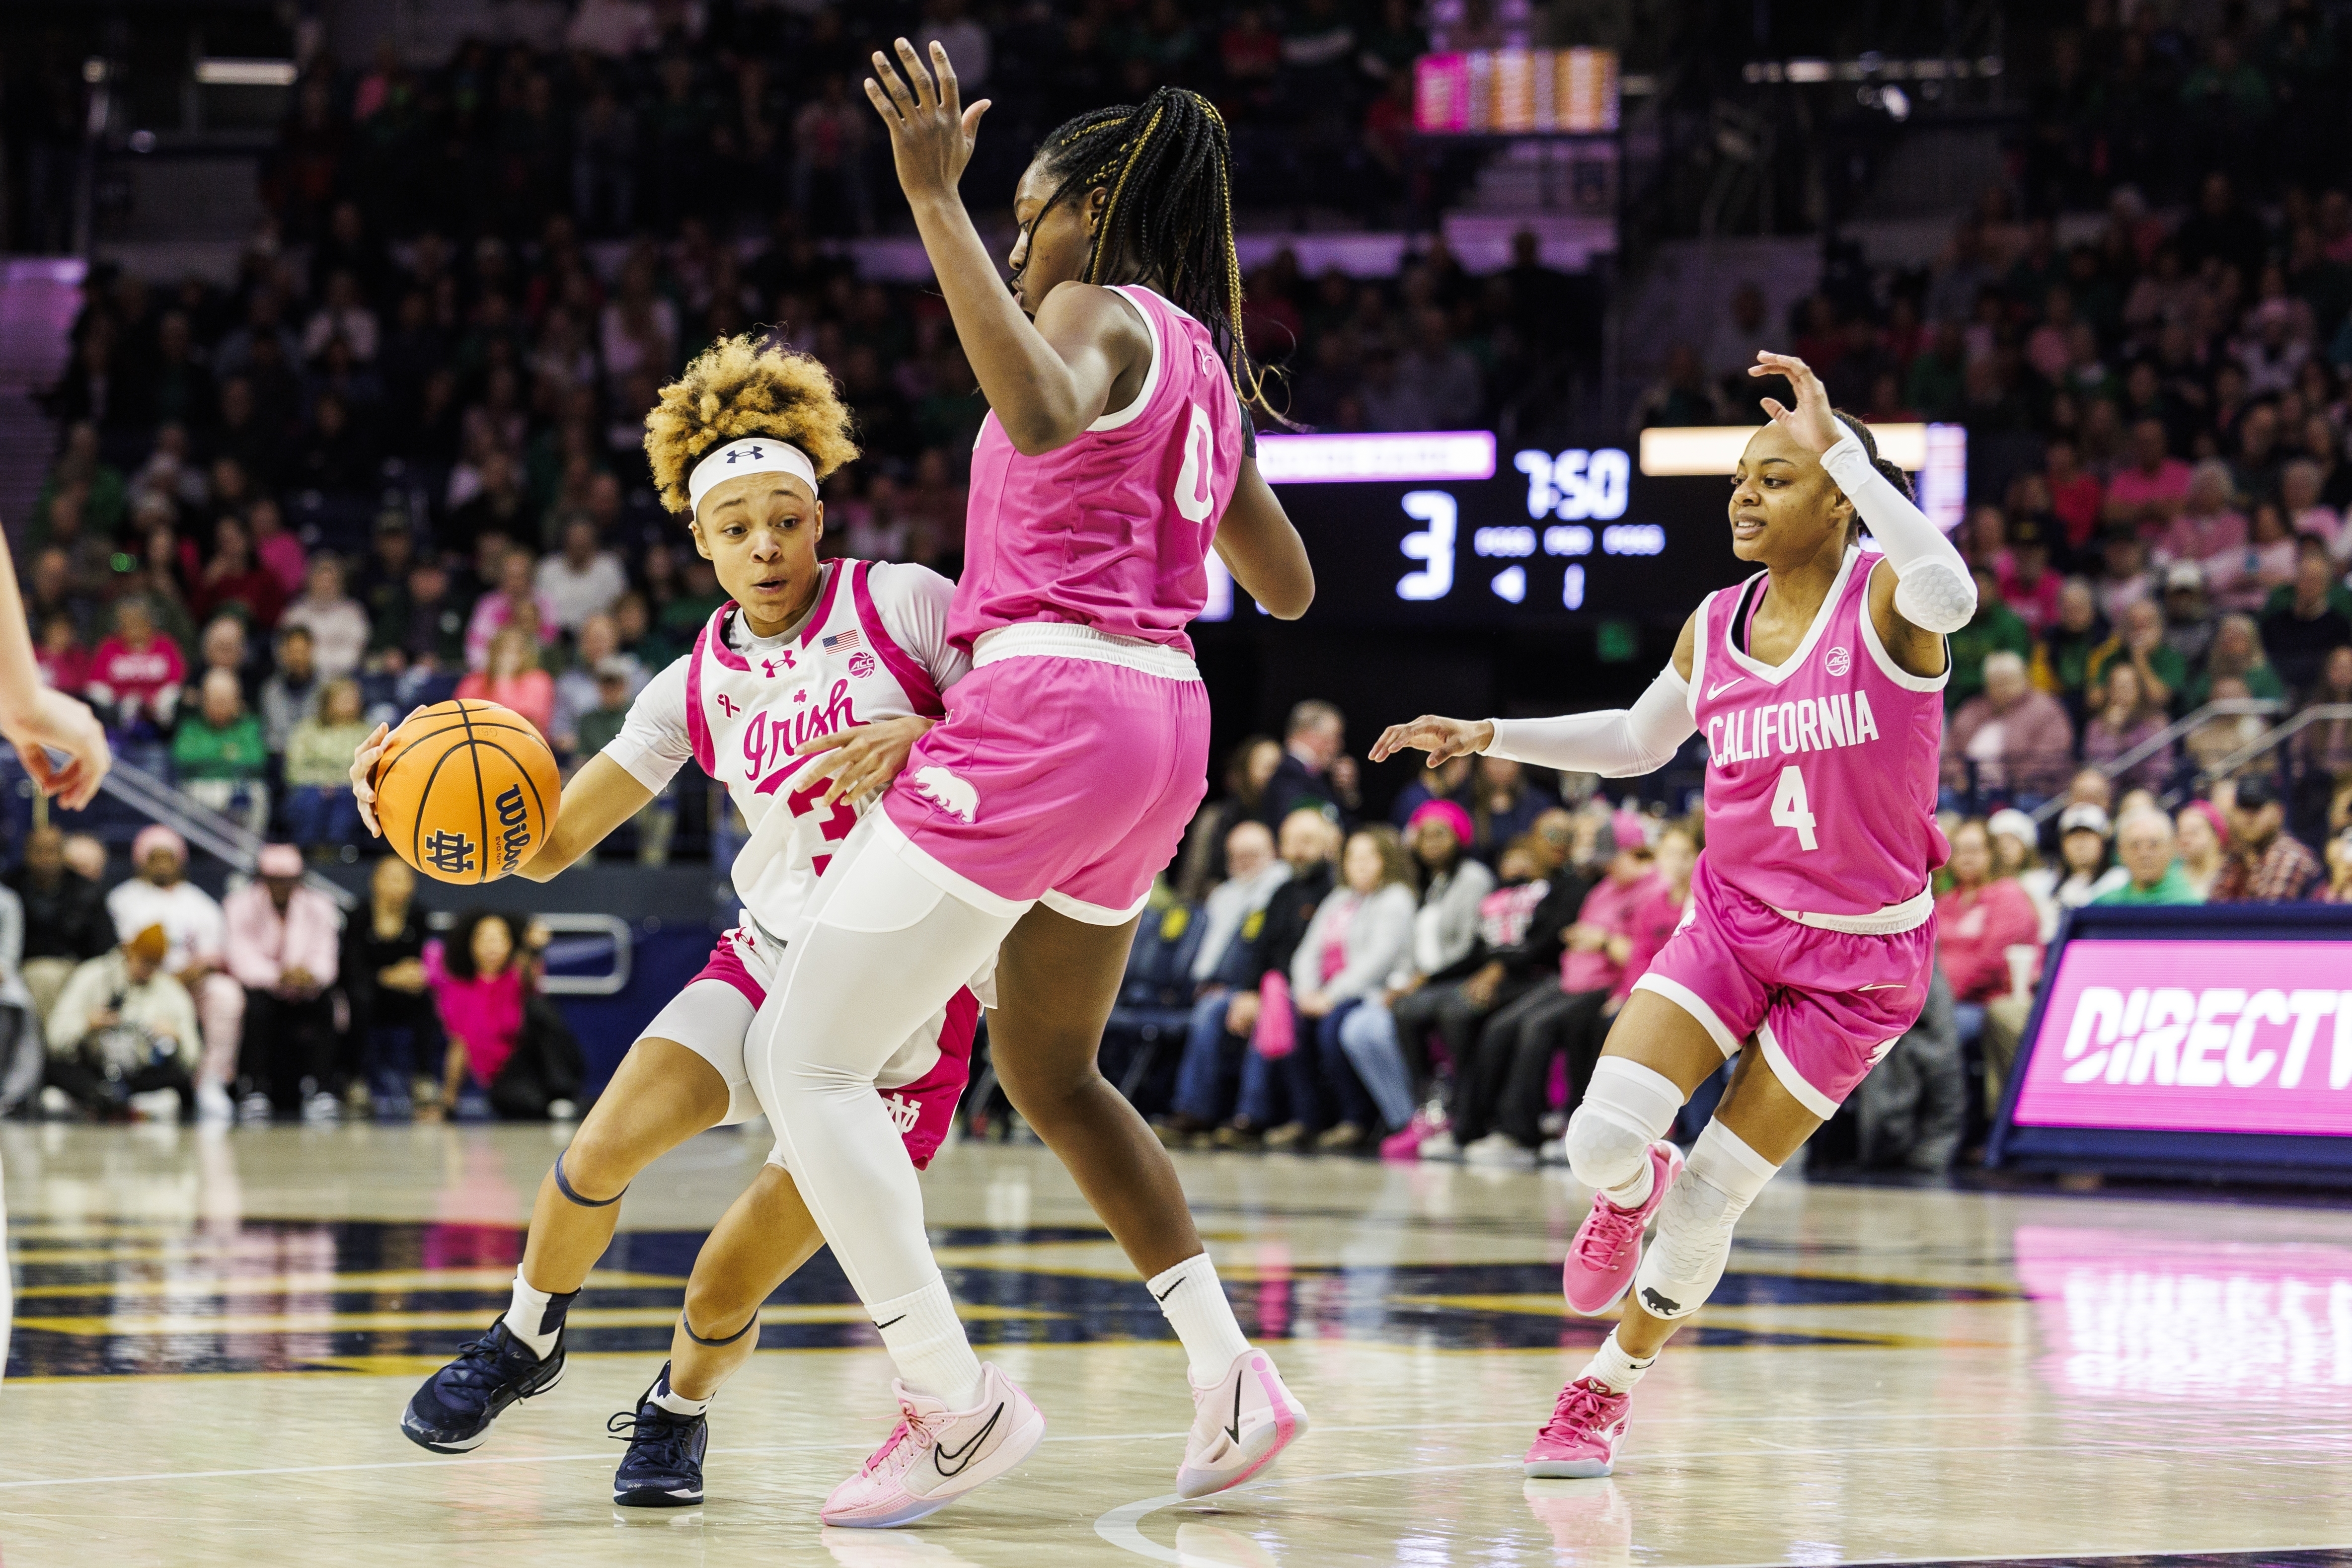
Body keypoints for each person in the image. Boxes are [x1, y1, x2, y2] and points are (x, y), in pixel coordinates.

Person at [730, 54, 1317, 1524]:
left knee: (804, 1060)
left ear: (1092, 205)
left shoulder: (1088, 309)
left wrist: (925, 197)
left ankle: (950, 1396)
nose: (1012, 231)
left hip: (1051, 704)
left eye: (1025, 206)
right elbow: (1288, 585)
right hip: (1162, 719)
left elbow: (1048, 415)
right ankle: (1231, 1372)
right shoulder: (1197, 360)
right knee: (1051, 1072)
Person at [353, 330, 986, 1508]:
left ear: (820, 518)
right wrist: (402, 805)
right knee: (600, 1147)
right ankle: (527, 1337)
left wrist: (925, 732)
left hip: (904, 1005)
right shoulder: (690, 683)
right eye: (736, 525)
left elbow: (1032, 719)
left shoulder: (902, 605)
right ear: (698, 538)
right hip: (767, 958)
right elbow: (541, 848)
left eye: (786, 519)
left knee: (717, 1287)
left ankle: (675, 1410)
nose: (765, 546)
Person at [1372, 348, 1973, 1477]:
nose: (1744, 494)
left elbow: (1955, 592)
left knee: (1709, 1207)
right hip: (1734, 929)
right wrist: (1489, 732)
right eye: (1740, 476)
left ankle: (1607, 1385)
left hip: (1859, 973)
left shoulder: (1888, 600)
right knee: (1601, 1140)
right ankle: (1627, 1186)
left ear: (1841, 497)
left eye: (1776, 477)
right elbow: (1638, 742)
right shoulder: (1715, 618)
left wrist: (1842, 443)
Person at [1165, 806, 1337, 1144]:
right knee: (1211, 1009)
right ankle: (1194, 1111)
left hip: (1307, 990)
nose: (1298, 850)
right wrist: (1247, 991)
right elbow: (1259, 948)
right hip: (1267, 986)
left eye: (1307, 841)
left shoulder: (1332, 890)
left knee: (1270, 1011)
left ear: (1328, 844)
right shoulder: (1283, 891)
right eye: (1290, 841)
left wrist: (1267, 993)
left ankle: (1251, 1116)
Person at [107, 825, 239, 1121]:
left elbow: (213, 954)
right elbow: (125, 950)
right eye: (155, 858)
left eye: (169, 858)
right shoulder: (123, 899)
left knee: (226, 994)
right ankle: (135, 1085)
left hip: (190, 982)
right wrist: (162, 978)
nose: (163, 865)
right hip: (143, 981)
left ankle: (211, 1080)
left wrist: (189, 975)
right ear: (141, 860)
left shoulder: (198, 901)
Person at [224, 842, 343, 1122]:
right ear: (262, 879)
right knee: (255, 1009)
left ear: (299, 879)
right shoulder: (239, 905)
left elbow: (326, 953)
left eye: (287, 880)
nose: (281, 886)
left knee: (328, 1005)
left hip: (307, 989)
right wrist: (278, 976)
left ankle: (322, 1089)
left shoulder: (320, 906)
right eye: (274, 880)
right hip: (263, 990)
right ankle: (253, 1089)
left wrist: (310, 975)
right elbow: (241, 957)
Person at [1934, 818, 2042, 1113]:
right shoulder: (1945, 901)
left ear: (1992, 853)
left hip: (1984, 1003)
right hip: (1942, 1002)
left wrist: (1935, 1003)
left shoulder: (2008, 895)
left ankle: (1954, 1126)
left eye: (1976, 849)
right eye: (1959, 850)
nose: (1966, 857)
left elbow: (1990, 964)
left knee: (1938, 1031)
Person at [42, 922, 198, 1120]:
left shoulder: (171, 992)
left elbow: (192, 1059)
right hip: (94, 1069)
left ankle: (111, 1104)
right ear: (128, 951)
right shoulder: (91, 976)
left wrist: (176, 1038)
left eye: (155, 964)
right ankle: (103, 1100)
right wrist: (86, 1025)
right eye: (144, 961)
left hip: (139, 1077)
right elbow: (54, 1039)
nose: (148, 970)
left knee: (179, 1085)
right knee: (53, 1072)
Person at [342, 855, 433, 1119]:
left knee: (426, 1001)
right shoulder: (359, 915)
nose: (396, 885)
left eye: (403, 878)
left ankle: (424, 1079)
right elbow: (351, 966)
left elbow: (425, 961)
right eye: (390, 878)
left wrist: (417, 975)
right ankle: (354, 1080)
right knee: (360, 1001)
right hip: (367, 993)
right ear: (375, 882)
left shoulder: (418, 916)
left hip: (404, 996)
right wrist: (388, 976)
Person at [8, 824, 114, 1024]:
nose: (46, 859)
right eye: (39, 851)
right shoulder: (10, 888)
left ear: (64, 855)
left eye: (53, 851)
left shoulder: (87, 891)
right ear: (26, 853)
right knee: (42, 976)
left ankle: (53, 1048)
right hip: (19, 973)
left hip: (77, 971)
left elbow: (104, 948)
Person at [1946, 650, 2075, 806]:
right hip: (1970, 790)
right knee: (1944, 799)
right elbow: (1949, 750)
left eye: (2008, 681)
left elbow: (2052, 755)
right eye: (1996, 683)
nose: (2002, 688)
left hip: (2026, 792)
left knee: (2026, 803)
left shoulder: (2046, 709)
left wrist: (2012, 781)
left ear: (2025, 679)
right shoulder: (1972, 710)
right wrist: (1959, 776)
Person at [172, 669, 270, 836]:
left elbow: (257, 759)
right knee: (184, 793)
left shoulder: (249, 726)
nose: (220, 706)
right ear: (204, 701)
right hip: (200, 787)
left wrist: (208, 757)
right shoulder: (190, 727)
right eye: (215, 701)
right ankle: (197, 853)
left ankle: (247, 855)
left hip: (239, 786)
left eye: (225, 701)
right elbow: (183, 757)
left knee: (259, 792)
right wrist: (227, 752)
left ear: (237, 702)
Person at [2210, 773, 2326, 902]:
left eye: (2256, 808)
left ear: (2279, 812)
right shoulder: (2236, 859)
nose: (2249, 817)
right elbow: (2212, 912)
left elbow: (2267, 918)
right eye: (2243, 808)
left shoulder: (2291, 856)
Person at [1264, 698, 1356, 824]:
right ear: (1310, 735)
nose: (1340, 746)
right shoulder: (1289, 775)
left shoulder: (1313, 776)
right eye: (1335, 737)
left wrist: (1347, 793)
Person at [456, 624, 556, 740]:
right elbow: (459, 720)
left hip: (525, 747)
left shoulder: (539, 680)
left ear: (527, 655)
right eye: (501, 650)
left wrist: (503, 678)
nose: (505, 656)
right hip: (477, 744)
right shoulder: (473, 681)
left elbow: (528, 725)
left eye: (514, 651)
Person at [2094, 805, 2204, 904]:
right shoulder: (2106, 905)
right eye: (2135, 845)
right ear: (2120, 851)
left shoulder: (2188, 904)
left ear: (2171, 849)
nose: (2144, 854)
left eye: (2154, 845)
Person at [2174, 799, 2229, 898]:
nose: (2185, 840)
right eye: (2181, 833)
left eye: (2193, 832)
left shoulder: (2232, 877)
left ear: (2216, 836)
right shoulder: (2173, 876)